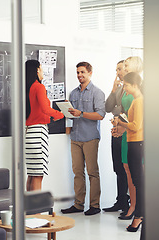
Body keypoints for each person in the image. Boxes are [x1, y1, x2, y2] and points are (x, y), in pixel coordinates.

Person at [61, 62, 106, 216]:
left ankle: (95, 205)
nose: (79, 75)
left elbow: (100, 115)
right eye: (78, 73)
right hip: (75, 137)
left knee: (92, 172)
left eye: (82, 72)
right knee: (77, 172)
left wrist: (81, 113)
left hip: (90, 138)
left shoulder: (97, 93)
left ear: (90, 73)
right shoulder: (73, 93)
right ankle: (78, 204)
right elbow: (70, 114)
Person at [25, 60, 64, 191]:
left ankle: (29, 211)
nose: (43, 72)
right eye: (41, 69)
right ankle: (36, 210)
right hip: (38, 133)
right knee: (38, 175)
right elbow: (46, 109)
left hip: (28, 133)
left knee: (31, 174)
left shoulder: (26, 87)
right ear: (36, 70)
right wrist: (61, 114)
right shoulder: (39, 87)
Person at [116, 56, 143, 220]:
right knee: (128, 170)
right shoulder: (126, 86)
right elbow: (119, 109)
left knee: (138, 173)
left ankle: (138, 209)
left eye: (126, 64)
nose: (124, 67)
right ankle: (133, 205)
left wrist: (122, 123)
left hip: (138, 133)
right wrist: (119, 126)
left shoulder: (139, 87)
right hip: (128, 131)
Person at [103, 60, 130, 214]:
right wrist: (113, 91)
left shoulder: (134, 90)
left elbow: (124, 110)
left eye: (120, 69)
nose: (118, 73)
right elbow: (107, 108)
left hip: (127, 132)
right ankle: (120, 201)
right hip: (116, 132)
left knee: (127, 169)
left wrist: (117, 113)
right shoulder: (119, 90)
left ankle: (129, 202)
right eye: (117, 70)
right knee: (118, 168)